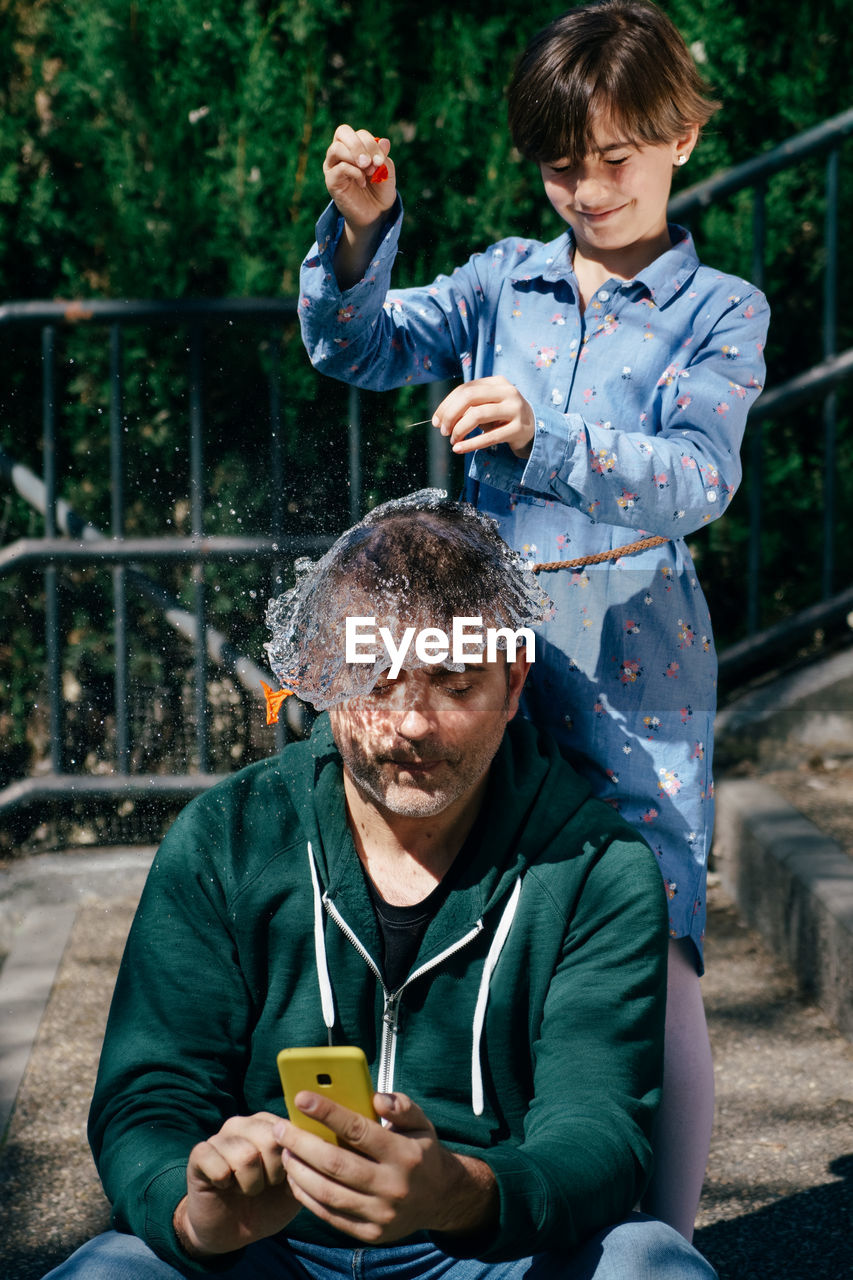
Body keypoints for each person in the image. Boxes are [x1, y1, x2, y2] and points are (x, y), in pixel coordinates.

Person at [297, 0, 771, 1239]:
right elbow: (355, 347)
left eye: (616, 159)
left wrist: (546, 437)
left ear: (683, 134)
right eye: (563, 164)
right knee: (469, 894)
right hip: (481, 648)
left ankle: (663, 1237)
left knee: (656, 933)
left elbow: (699, 478)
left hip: (635, 655)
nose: (588, 189)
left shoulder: (721, 309)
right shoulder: (499, 278)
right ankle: (484, 1208)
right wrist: (360, 237)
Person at [44, 492, 717, 1279]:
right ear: (325, 679)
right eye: (375, 679)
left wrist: (458, 1195)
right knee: (109, 1270)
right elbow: (150, 1096)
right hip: (266, 1249)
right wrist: (195, 1214)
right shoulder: (228, 837)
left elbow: (598, 1136)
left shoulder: (597, 866)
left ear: (513, 681)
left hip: (491, 1254)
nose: (410, 725)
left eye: (454, 684)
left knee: (648, 1262)